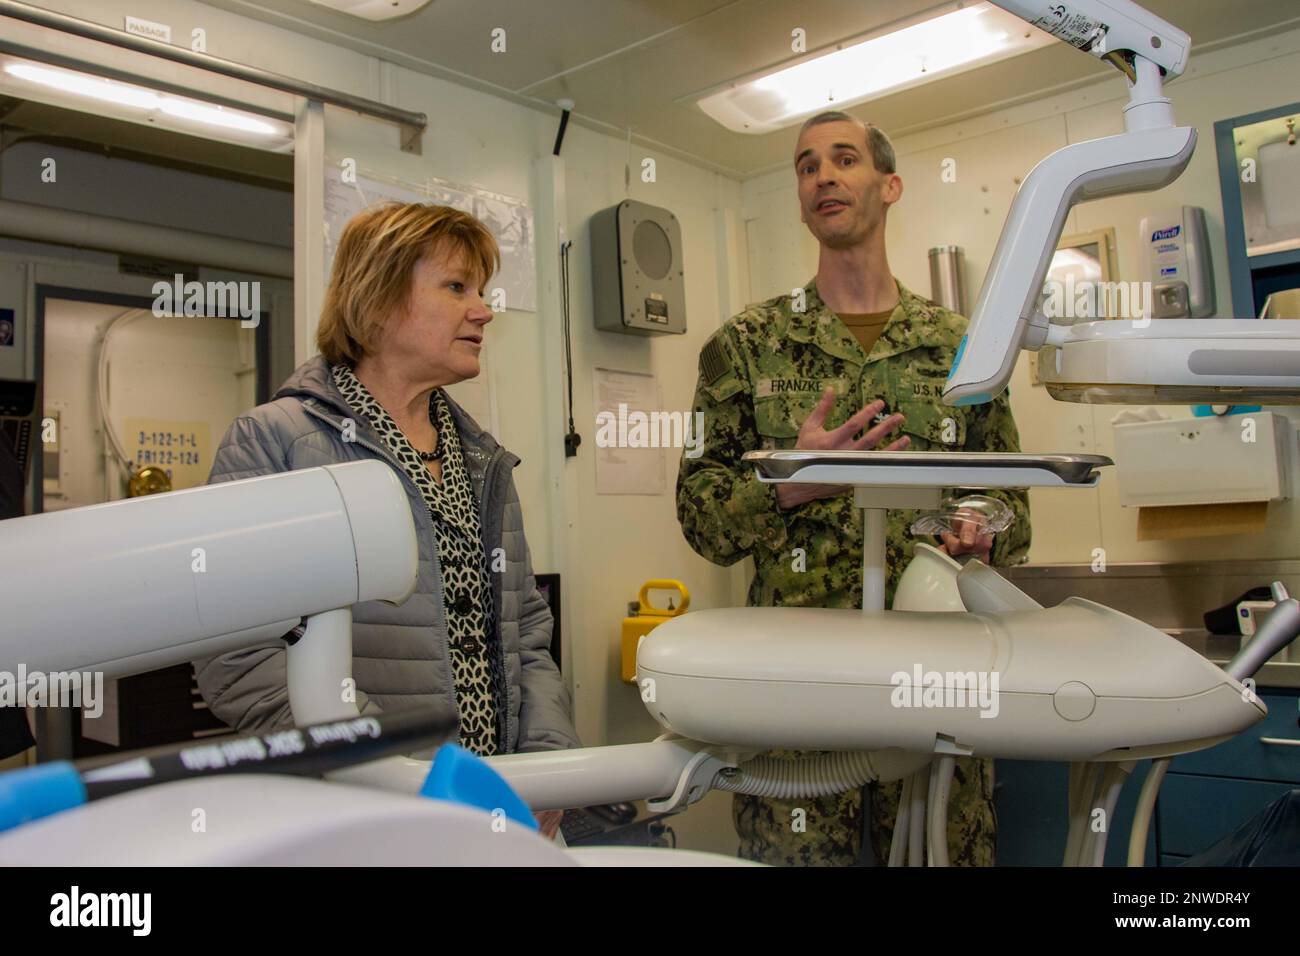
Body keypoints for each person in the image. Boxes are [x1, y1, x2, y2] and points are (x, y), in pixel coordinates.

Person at [677, 111, 1031, 866]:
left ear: (890, 184)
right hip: (803, 697)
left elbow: (1015, 505)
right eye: (807, 166)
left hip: (939, 682)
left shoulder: (963, 349)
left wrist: (983, 533)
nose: (823, 176)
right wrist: (790, 485)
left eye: (844, 160)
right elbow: (700, 517)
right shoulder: (744, 345)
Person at [194, 202, 578, 836]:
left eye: (480, 290)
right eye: (457, 287)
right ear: (377, 297)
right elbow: (237, 658)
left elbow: (527, 630)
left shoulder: (482, 458)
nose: (483, 310)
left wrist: (549, 766)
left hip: (500, 806)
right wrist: (400, 775)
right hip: (364, 812)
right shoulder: (275, 442)